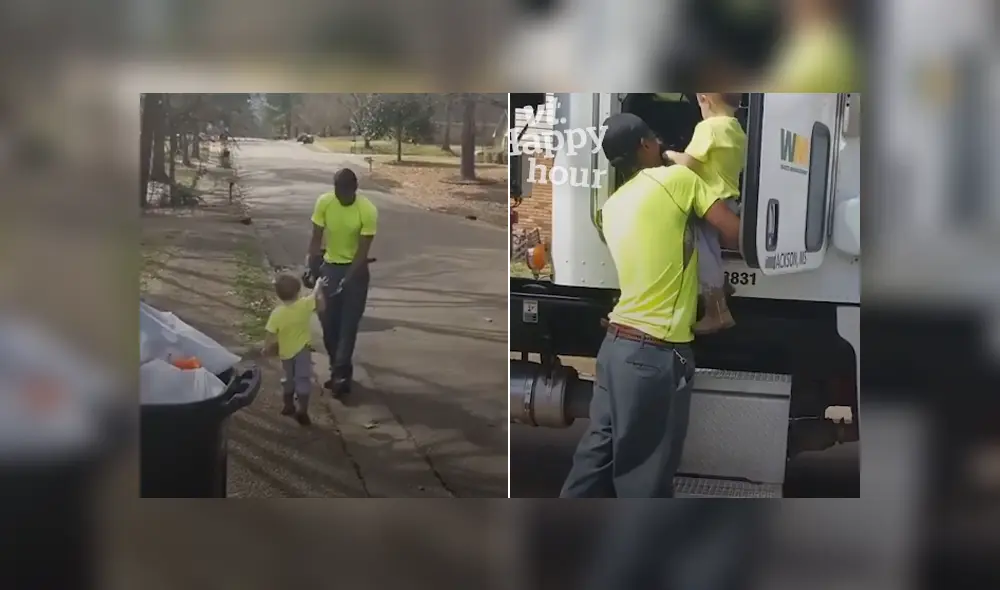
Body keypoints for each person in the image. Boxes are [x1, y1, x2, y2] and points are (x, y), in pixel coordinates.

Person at [559, 112, 741, 498]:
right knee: (645, 477)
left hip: (614, 350)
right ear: (645, 145)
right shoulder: (677, 180)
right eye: (656, 139)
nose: (661, 144)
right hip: (653, 354)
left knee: (596, 459)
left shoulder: (611, 206)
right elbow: (735, 233)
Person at [664, 92, 747, 334]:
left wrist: (668, 155)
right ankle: (722, 287)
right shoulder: (737, 130)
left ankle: (716, 310)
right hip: (729, 200)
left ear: (704, 99)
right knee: (712, 250)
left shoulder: (708, 127)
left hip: (708, 204)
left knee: (701, 253)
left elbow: (689, 163)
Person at [306, 168, 377, 396]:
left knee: (348, 326)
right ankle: (338, 367)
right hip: (330, 268)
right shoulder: (324, 202)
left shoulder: (367, 210)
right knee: (328, 324)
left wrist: (348, 278)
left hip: (355, 272)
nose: (341, 196)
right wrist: (311, 265)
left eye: (345, 191)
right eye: (337, 190)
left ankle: (340, 375)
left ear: (355, 189)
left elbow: (363, 250)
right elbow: (316, 238)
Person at [262, 273, 327, 426]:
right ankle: (302, 410)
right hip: (303, 350)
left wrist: (266, 348)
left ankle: (288, 405)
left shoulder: (277, 313)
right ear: (298, 291)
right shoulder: (304, 305)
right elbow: (320, 304)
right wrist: (319, 286)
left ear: (278, 294)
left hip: (285, 352)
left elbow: (270, 334)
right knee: (303, 379)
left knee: (288, 379)